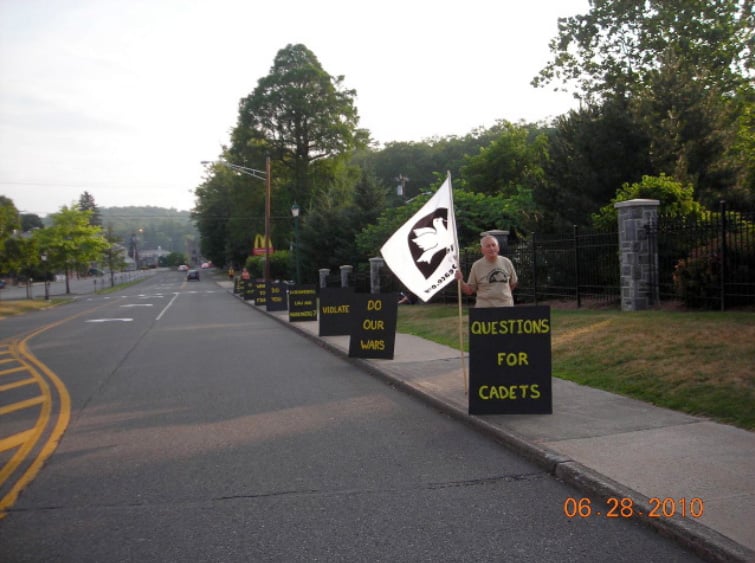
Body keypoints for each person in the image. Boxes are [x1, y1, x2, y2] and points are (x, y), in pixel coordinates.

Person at [455, 235, 518, 307]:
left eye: (493, 245)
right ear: (482, 250)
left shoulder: (507, 262)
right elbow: (469, 290)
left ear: (498, 248)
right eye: (488, 246)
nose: (491, 248)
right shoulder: (477, 266)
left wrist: (503, 294)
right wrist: (460, 281)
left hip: (506, 307)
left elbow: (513, 283)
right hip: (484, 310)